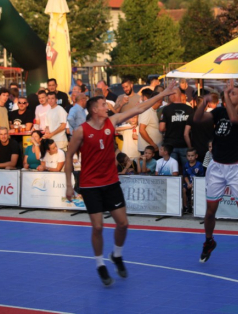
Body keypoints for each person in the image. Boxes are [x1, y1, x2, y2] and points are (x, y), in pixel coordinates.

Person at [64, 84, 176, 286]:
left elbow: (139, 109)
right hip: (90, 185)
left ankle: (116, 255)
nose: (107, 107)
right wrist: (69, 185)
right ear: (94, 110)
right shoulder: (81, 131)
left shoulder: (111, 122)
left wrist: (163, 93)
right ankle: (100, 265)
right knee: (97, 227)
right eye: (102, 105)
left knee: (123, 223)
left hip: (111, 182)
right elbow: (69, 156)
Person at [193, 83, 238, 273]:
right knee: (210, 211)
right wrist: (203, 103)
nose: (230, 94)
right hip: (216, 167)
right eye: (229, 92)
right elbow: (198, 119)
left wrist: (224, 93)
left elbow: (233, 117)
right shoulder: (219, 112)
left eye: (234, 93)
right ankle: (209, 241)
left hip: (235, 168)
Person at [160, 87, 193, 168]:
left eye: (169, 95)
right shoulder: (189, 109)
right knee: (187, 169)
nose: (168, 97)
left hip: (170, 145)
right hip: (185, 144)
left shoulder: (166, 109)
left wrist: (169, 128)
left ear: (173, 95)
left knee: (172, 170)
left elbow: (161, 128)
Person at [185, 94, 218, 162]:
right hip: (209, 148)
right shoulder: (210, 116)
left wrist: (190, 147)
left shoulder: (191, 117)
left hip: (196, 148)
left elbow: (185, 134)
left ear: (196, 104)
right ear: (207, 104)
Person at [138, 92, 163, 157]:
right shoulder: (147, 111)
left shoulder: (153, 111)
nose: (162, 104)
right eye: (161, 101)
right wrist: (153, 144)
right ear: (158, 100)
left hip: (153, 149)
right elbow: (141, 130)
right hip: (149, 150)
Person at [182, 148, 205, 214]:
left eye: (192, 156)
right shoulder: (186, 165)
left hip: (197, 183)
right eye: (189, 156)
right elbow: (185, 176)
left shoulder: (199, 165)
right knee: (183, 189)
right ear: (186, 157)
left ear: (196, 156)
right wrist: (188, 183)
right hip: (188, 183)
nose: (190, 157)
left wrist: (192, 184)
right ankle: (185, 207)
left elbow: (201, 176)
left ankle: (193, 207)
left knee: (193, 190)